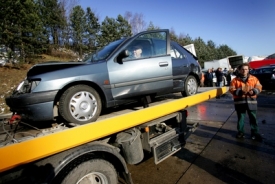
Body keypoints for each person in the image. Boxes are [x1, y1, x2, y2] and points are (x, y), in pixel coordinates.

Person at [229, 63, 263, 141]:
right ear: (239, 70)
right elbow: (231, 89)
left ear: (248, 70)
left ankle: (255, 133)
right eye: (242, 69)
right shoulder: (235, 80)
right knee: (241, 118)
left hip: (252, 102)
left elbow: (259, 87)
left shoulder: (254, 78)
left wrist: (254, 91)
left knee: (253, 118)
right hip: (240, 102)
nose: (244, 71)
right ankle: (241, 132)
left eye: (246, 69)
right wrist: (240, 91)